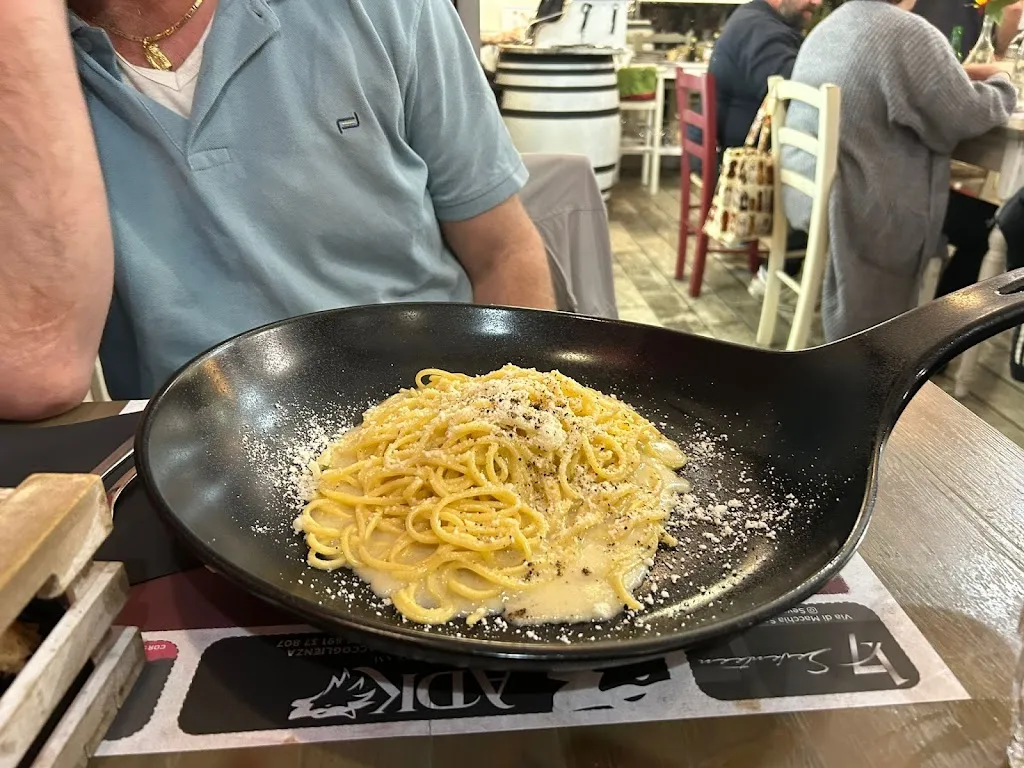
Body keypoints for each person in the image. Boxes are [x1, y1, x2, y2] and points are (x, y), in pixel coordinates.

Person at [0, 0, 554, 421]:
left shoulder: (381, 11)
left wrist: (512, 426)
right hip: (188, 451)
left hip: (427, 411)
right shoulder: (24, 61)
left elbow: (502, 249)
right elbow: (35, 368)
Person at [781, 0, 1016, 342]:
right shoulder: (908, 31)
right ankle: (931, 342)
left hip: (809, 190)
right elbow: (966, 114)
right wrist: (1003, 82)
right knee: (990, 227)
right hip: (860, 202)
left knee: (974, 220)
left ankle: (925, 329)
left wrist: (964, 74)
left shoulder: (832, 25)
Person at [707, 0, 820, 294]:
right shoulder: (761, 28)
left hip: (734, 151)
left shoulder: (756, 20)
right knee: (834, 176)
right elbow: (792, 92)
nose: (817, 2)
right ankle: (778, 275)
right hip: (745, 168)